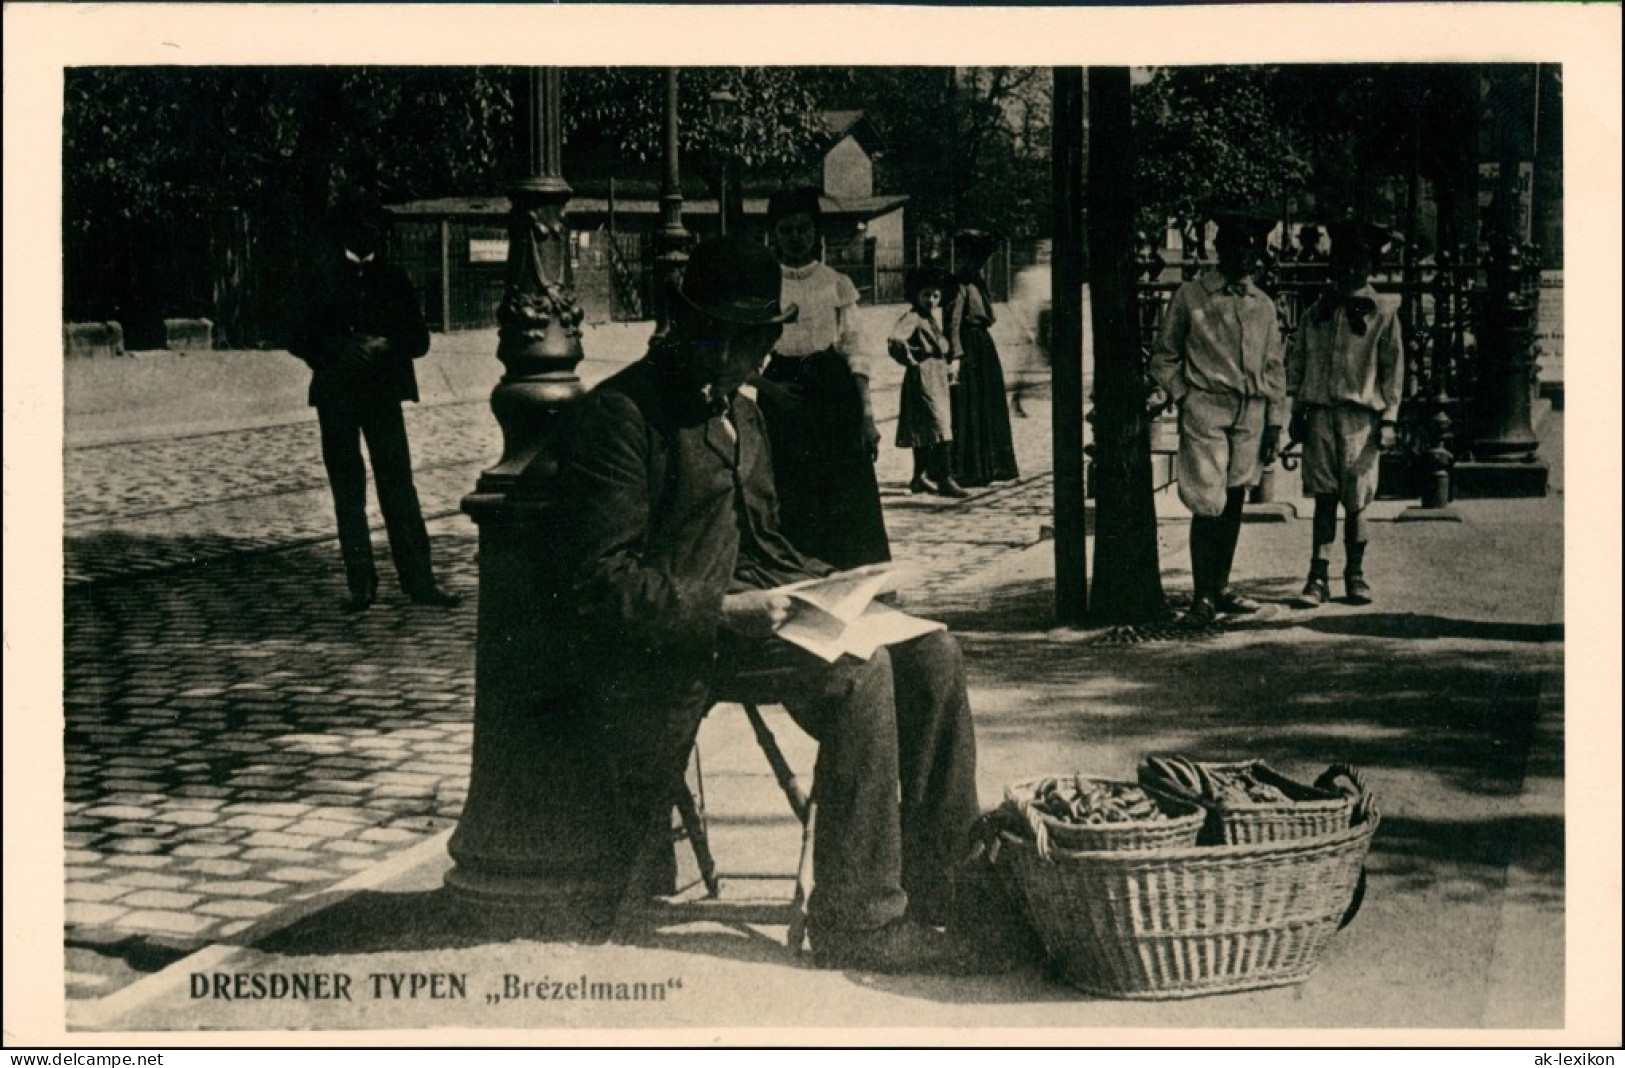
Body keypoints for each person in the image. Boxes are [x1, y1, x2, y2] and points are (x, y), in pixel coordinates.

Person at [558, 236, 988, 975]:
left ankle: (950, 892)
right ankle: (860, 918)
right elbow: (600, 585)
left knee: (932, 650)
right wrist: (727, 610)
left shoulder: (740, 412)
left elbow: (762, 541)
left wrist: (842, 584)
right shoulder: (624, 417)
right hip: (684, 641)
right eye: (753, 342)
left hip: (759, 616)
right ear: (708, 334)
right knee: (862, 672)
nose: (763, 360)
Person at [288, 198, 459, 612]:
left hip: (383, 395)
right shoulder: (323, 277)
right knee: (348, 489)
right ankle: (361, 583)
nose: (370, 235)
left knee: (398, 485)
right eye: (361, 226)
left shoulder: (393, 278)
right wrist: (340, 348)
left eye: (375, 228)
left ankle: (420, 581)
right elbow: (296, 335)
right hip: (337, 395)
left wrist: (385, 345)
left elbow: (419, 339)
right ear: (346, 231)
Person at [1149, 205, 1287, 625]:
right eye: (1237, 248)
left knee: (1235, 496)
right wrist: (1185, 395)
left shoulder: (1262, 304)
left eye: (1252, 251)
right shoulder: (1192, 296)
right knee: (1206, 500)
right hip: (1207, 404)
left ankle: (1221, 586)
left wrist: (1275, 419)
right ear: (1219, 247)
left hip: (1252, 408)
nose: (1246, 259)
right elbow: (1164, 356)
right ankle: (1202, 595)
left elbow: (1274, 365)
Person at [752, 186, 890, 569]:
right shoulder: (764, 284)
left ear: (816, 232)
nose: (795, 239)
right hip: (783, 394)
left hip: (832, 395)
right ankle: (798, 572)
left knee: (842, 488)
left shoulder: (836, 283)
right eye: (786, 231)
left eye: (803, 229)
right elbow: (744, 351)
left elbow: (856, 350)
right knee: (790, 487)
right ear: (774, 235)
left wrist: (866, 417)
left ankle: (849, 575)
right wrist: (768, 388)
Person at [1286, 221, 1405, 607]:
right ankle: (1317, 577)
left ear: (1369, 266)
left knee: (1356, 500)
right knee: (1323, 497)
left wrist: (1388, 420)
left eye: (1358, 263)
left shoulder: (1383, 314)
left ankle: (1355, 574)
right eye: (1341, 263)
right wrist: (1296, 407)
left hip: (1360, 420)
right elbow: (1299, 361)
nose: (1349, 271)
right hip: (1320, 415)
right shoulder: (1316, 313)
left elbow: (1393, 371)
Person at [947, 229, 1020, 487]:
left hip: (983, 345)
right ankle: (970, 468)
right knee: (971, 405)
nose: (978, 263)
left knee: (988, 401)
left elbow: (990, 315)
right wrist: (955, 356)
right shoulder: (960, 283)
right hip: (969, 346)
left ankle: (996, 464)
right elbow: (954, 321)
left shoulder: (977, 282)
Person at [888, 267, 968, 498]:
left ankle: (919, 477)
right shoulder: (913, 317)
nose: (931, 300)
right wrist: (912, 360)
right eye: (926, 295)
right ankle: (944, 478)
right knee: (940, 426)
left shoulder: (929, 318)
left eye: (935, 295)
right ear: (916, 295)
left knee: (927, 427)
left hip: (937, 376)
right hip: (923, 376)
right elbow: (895, 340)